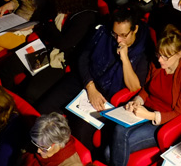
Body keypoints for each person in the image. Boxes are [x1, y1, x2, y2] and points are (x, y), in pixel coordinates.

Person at [38, 11, 150, 141]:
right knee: (45, 107)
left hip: (108, 93)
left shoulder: (144, 51)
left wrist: (125, 58)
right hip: (87, 78)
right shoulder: (104, 33)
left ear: (135, 29)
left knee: (80, 131)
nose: (118, 40)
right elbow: (83, 58)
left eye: (123, 35)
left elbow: (134, 86)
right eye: (115, 34)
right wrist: (90, 87)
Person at [104, 25, 181, 166]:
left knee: (111, 146)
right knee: (108, 150)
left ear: (179, 54)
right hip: (146, 110)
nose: (160, 60)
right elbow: (147, 89)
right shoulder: (156, 64)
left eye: (165, 56)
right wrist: (138, 100)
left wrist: (150, 116)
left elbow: (178, 112)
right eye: (159, 54)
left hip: (162, 122)